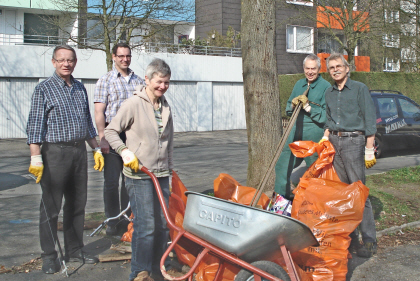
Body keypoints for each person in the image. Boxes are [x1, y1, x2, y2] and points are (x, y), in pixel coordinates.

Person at [26, 45, 104, 274]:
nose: (66, 64)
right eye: (61, 60)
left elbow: (88, 123)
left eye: (70, 60)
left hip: (78, 152)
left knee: (77, 204)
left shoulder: (80, 88)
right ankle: (49, 255)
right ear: (53, 62)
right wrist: (35, 156)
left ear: (75, 62)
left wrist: (96, 149)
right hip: (55, 153)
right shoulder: (43, 89)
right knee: (51, 208)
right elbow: (35, 126)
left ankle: (75, 249)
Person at [105, 59, 181, 281]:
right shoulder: (133, 104)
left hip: (161, 174)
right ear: (147, 80)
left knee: (163, 225)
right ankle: (140, 271)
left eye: (166, 82)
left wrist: (170, 169)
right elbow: (111, 131)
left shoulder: (165, 106)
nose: (163, 86)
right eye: (159, 82)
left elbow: (169, 141)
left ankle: (159, 267)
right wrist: (124, 151)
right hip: (139, 175)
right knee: (146, 225)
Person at [321, 53, 377, 258]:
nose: (335, 70)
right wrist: (324, 139)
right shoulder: (329, 92)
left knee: (359, 192)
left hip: (354, 142)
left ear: (347, 68)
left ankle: (369, 240)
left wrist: (369, 148)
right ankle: (351, 242)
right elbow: (328, 121)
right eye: (331, 68)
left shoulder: (360, 89)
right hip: (335, 142)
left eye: (338, 66)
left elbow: (370, 119)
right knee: (343, 194)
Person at [94, 43, 144, 235]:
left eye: (128, 56)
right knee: (111, 182)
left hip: (133, 137)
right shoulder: (105, 80)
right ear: (113, 57)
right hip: (112, 135)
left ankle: (127, 220)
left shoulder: (139, 81)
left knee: (129, 181)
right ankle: (112, 221)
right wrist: (102, 138)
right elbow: (99, 111)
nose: (125, 59)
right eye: (121, 56)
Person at [274, 54, 331, 199]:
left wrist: (309, 107)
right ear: (303, 68)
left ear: (319, 69)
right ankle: (282, 198)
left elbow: (327, 115)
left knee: (314, 170)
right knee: (282, 164)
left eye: (313, 69)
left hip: (314, 132)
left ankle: (315, 203)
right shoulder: (299, 84)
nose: (310, 72)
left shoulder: (326, 87)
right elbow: (288, 107)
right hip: (295, 130)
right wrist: (292, 105)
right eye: (307, 68)